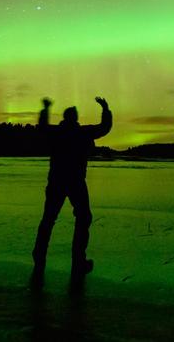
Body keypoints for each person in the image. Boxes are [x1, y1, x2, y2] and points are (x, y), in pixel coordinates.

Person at [32, 96, 112, 276]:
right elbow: (104, 128)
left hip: (56, 182)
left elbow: (42, 128)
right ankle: (78, 260)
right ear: (74, 118)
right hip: (75, 182)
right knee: (83, 218)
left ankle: (39, 255)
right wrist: (105, 109)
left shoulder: (56, 132)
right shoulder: (82, 132)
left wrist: (45, 109)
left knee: (49, 219)